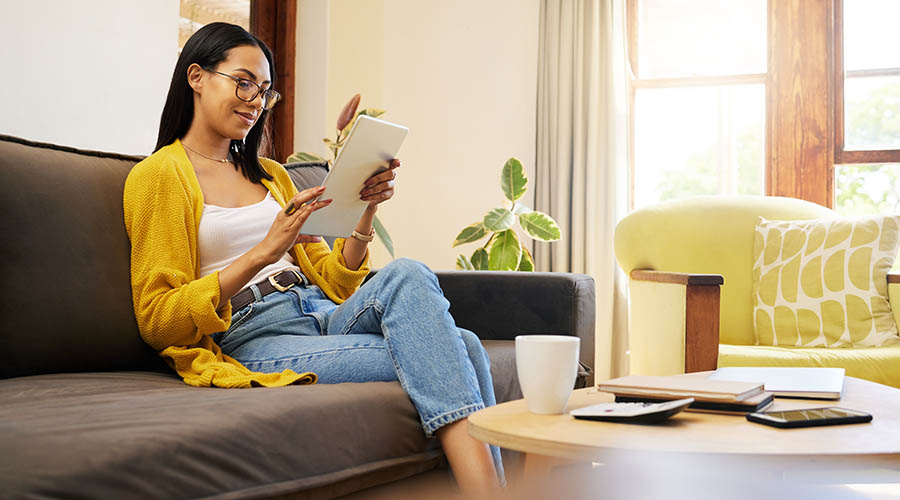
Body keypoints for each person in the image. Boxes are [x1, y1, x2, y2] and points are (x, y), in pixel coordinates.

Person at [122, 22, 503, 494]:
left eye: (264, 91)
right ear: (196, 76)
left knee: (409, 272)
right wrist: (265, 252)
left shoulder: (272, 176)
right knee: (462, 347)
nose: (255, 100)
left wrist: (364, 212)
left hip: (322, 312)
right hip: (253, 334)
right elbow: (158, 319)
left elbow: (336, 282)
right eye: (243, 82)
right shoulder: (158, 176)